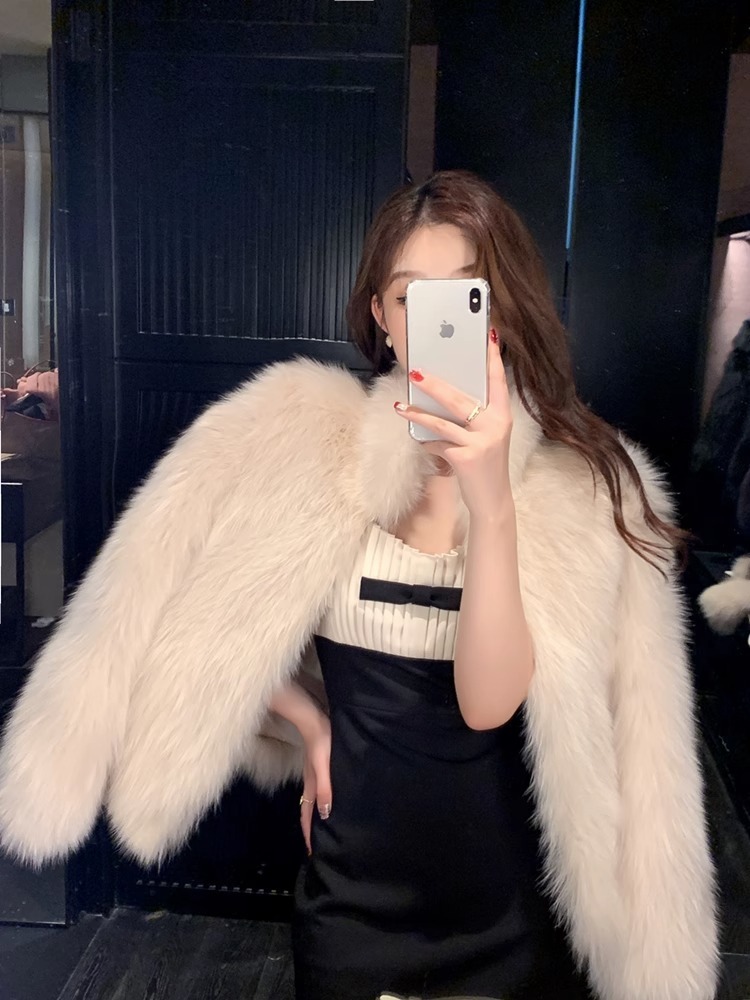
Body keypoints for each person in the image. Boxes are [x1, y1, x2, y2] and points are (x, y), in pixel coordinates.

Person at [0, 172, 719, 1000]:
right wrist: (305, 718)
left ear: (501, 310)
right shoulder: (307, 444)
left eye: (466, 295)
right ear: (382, 313)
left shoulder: (584, 490)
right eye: (413, 297)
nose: (437, 322)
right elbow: (183, 615)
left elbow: (494, 704)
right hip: (352, 903)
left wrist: (492, 504)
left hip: (517, 916)